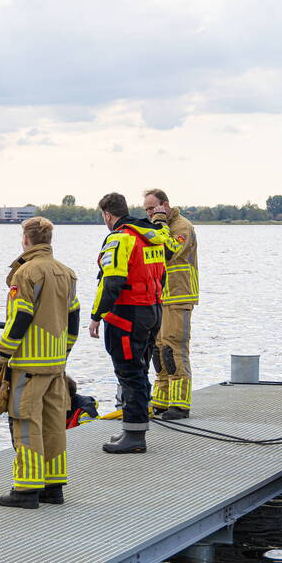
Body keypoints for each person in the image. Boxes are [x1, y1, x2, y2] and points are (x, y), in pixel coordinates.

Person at [0, 217, 80, 509]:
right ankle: (54, 487)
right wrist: (64, 350)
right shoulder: (66, 273)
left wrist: (1, 354)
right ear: (49, 240)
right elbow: (74, 318)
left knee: (26, 421)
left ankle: (26, 489)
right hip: (56, 364)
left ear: (26, 239)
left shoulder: (26, 273)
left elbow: (21, 317)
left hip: (28, 364)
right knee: (54, 424)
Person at [89, 192, 179, 454]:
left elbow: (112, 281)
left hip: (127, 315)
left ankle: (136, 436)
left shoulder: (120, 239)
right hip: (151, 311)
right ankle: (132, 426)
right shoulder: (152, 235)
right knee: (139, 370)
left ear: (107, 215)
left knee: (128, 372)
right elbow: (164, 264)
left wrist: (96, 316)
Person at [143, 189, 199, 420]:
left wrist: (158, 224)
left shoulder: (181, 227)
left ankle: (180, 404)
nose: (149, 213)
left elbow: (168, 251)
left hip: (178, 295)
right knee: (158, 349)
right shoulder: (158, 227)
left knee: (174, 348)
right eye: (146, 210)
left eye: (152, 208)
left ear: (164, 205)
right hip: (160, 296)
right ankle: (162, 400)